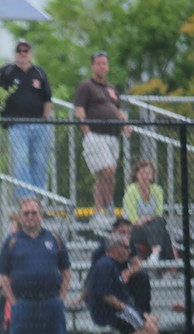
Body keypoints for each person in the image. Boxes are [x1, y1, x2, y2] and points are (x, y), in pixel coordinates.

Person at [0, 197, 73, 334]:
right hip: (23, 304)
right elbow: (2, 275)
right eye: (26, 213)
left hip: (51, 303)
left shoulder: (54, 239)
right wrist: (13, 301)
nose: (30, 217)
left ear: (41, 215)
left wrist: (61, 297)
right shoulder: (12, 242)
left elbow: (66, 270)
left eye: (34, 213)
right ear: (20, 216)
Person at [0, 38, 53, 197]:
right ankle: (26, 198)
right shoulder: (7, 71)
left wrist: (45, 118)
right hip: (17, 125)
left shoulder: (39, 73)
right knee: (20, 162)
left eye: (25, 50)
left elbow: (48, 98)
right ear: (15, 54)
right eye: (19, 51)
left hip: (40, 125)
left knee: (40, 162)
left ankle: (38, 197)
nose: (22, 54)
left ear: (31, 53)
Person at [85, 236, 160, 334]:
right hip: (110, 312)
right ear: (116, 249)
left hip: (121, 310)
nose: (129, 251)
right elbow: (106, 296)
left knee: (153, 321)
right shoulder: (105, 265)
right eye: (126, 248)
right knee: (150, 329)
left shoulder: (113, 265)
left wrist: (138, 313)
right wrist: (125, 308)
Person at [74, 51, 130, 228]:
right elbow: (79, 109)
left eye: (104, 63)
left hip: (113, 136)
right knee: (107, 170)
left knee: (107, 174)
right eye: (98, 63)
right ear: (92, 66)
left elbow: (119, 110)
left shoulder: (112, 89)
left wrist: (125, 123)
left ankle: (101, 211)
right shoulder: (86, 86)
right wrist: (86, 131)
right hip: (96, 135)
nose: (101, 66)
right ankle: (107, 207)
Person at [88, 218, 152, 315]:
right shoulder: (102, 249)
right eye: (122, 232)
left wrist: (128, 272)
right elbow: (93, 275)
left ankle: (144, 314)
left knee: (142, 276)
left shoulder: (129, 244)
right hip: (108, 280)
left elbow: (137, 265)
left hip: (123, 278)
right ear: (113, 232)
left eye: (129, 233)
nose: (126, 235)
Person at [122, 159, 176, 262]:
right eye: (142, 173)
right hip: (134, 230)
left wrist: (146, 219)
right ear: (136, 175)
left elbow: (159, 214)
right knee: (162, 230)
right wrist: (150, 218)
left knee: (159, 224)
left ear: (152, 176)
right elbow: (133, 220)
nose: (145, 176)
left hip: (153, 227)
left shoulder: (158, 190)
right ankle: (169, 267)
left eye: (148, 173)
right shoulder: (131, 191)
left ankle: (156, 254)